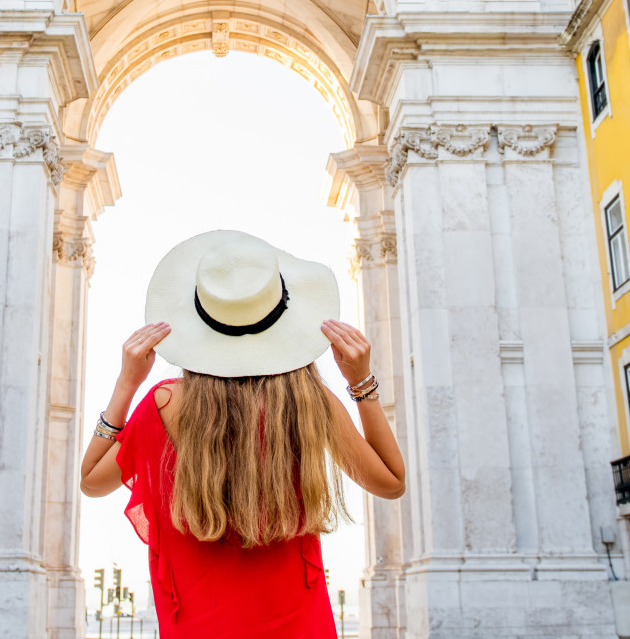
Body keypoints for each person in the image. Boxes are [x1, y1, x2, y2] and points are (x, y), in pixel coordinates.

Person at [80, 230, 406, 638]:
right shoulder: (308, 402)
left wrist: (126, 385)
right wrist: (361, 384)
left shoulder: (164, 405)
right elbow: (391, 483)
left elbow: (91, 481)